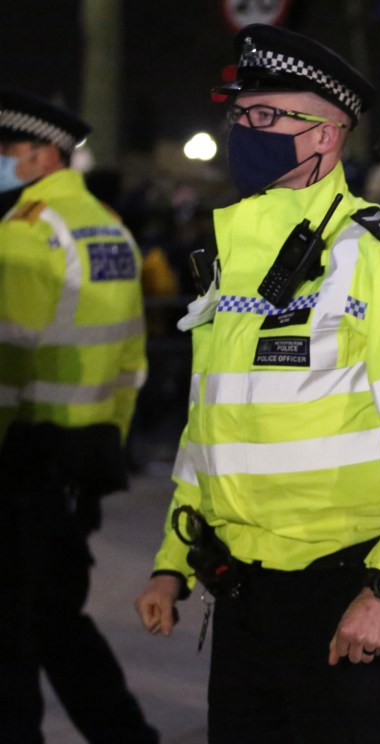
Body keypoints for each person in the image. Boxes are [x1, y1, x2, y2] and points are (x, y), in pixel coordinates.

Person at [133, 24, 380, 743]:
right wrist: (172, 562)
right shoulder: (234, 254)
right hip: (244, 585)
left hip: (345, 583)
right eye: (242, 116)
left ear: (327, 136)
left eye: (270, 117)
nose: (248, 131)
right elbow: (209, 427)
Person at [0, 90, 154, 742]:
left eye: (6, 151)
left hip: (23, 464)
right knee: (56, 621)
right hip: (82, 460)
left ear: (41, 153)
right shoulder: (108, 226)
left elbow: (6, 365)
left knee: (13, 638)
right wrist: (105, 448)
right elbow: (132, 360)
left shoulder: (26, 233)